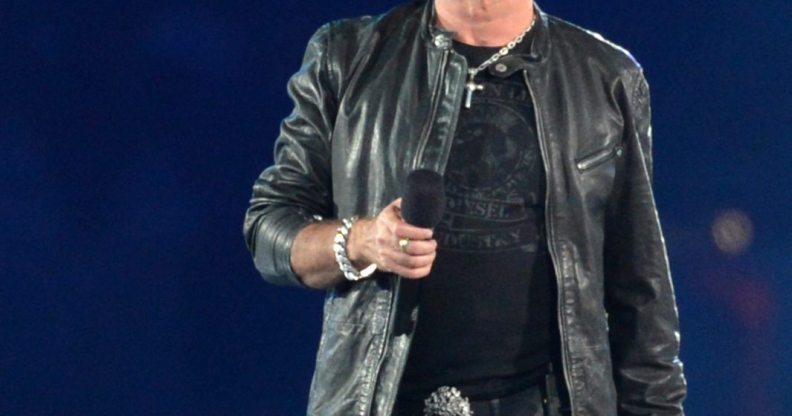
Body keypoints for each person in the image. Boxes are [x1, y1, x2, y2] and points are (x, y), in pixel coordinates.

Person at [243, 0, 687, 414]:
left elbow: (641, 292)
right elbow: (270, 230)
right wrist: (362, 241)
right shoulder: (346, 56)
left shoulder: (605, 77)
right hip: (381, 402)